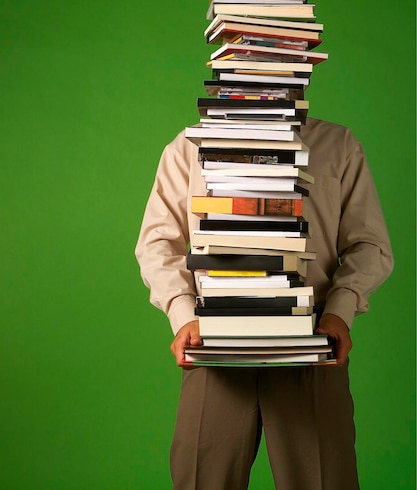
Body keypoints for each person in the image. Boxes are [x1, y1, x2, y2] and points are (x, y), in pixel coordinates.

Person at [135, 116, 394, 490]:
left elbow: (370, 244)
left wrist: (341, 311)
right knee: (201, 479)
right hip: (213, 345)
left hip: (313, 342)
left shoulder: (338, 144)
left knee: (325, 479)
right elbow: (157, 241)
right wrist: (183, 314)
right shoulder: (189, 146)